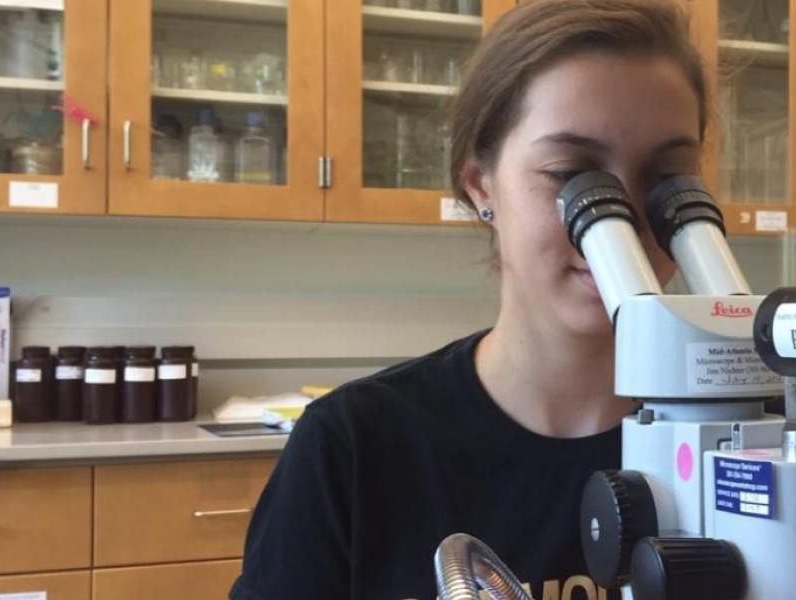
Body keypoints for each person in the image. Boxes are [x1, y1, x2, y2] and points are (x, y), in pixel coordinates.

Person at [230, 1, 709, 598]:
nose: (624, 221)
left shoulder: (737, 450)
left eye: (666, 177)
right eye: (572, 174)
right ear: (480, 184)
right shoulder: (354, 448)